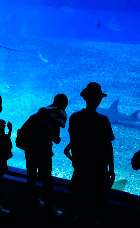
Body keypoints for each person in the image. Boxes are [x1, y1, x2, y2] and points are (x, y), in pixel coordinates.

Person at [64, 82, 115, 226]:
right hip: (98, 166)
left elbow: (73, 141)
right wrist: (111, 167)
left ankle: (71, 218)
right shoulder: (103, 120)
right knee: (94, 196)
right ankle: (90, 221)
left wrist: (75, 160)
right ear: (99, 100)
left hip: (80, 164)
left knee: (76, 194)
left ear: (85, 98)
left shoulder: (74, 117)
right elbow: (108, 146)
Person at [24, 94, 68, 217]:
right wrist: (56, 138)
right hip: (43, 150)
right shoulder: (61, 112)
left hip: (30, 148)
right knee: (47, 180)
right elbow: (56, 130)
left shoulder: (42, 110)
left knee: (31, 177)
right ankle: (49, 210)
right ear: (65, 105)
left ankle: (35, 203)